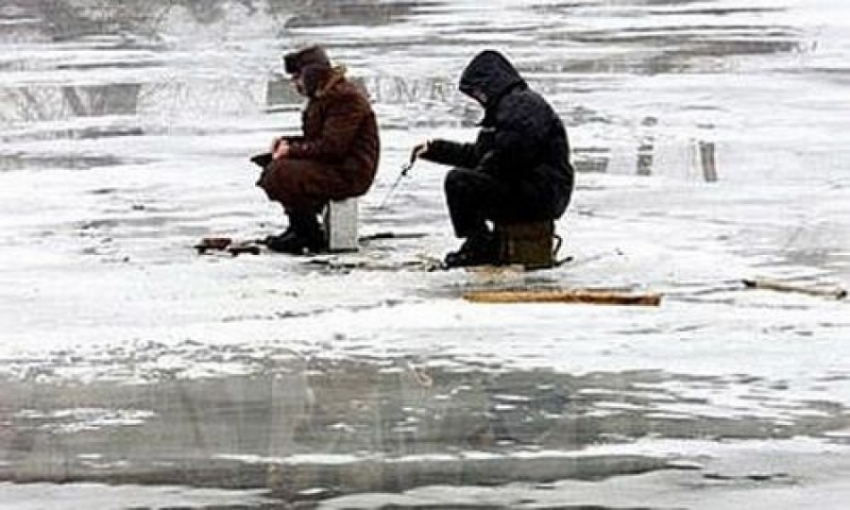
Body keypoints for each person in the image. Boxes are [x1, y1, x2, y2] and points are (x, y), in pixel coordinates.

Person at [411, 50, 574, 267]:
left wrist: (478, 177)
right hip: (533, 190)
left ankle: (479, 245)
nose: (478, 98)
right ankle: (480, 243)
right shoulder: (507, 109)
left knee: (459, 182)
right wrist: (435, 150)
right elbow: (482, 155)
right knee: (464, 182)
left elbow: (511, 155)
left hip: (541, 195)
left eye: (478, 92)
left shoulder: (522, 106)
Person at [255, 45, 380, 254]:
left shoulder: (345, 99)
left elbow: (333, 147)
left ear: (312, 75)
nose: (295, 84)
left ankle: (307, 232)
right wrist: (286, 143)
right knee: (271, 164)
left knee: (282, 172)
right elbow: (319, 140)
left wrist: (291, 150)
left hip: (350, 172)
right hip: (337, 166)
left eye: (297, 78)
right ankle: (299, 226)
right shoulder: (324, 97)